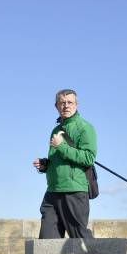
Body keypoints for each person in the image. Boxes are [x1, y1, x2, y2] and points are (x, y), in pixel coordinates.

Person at [32, 89, 97, 239]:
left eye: (70, 102)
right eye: (62, 103)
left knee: (81, 240)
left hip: (74, 191)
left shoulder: (85, 128)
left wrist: (61, 146)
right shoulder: (56, 130)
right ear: (56, 106)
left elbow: (88, 158)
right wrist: (45, 165)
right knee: (47, 242)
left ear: (76, 105)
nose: (66, 106)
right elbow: (59, 160)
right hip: (53, 191)